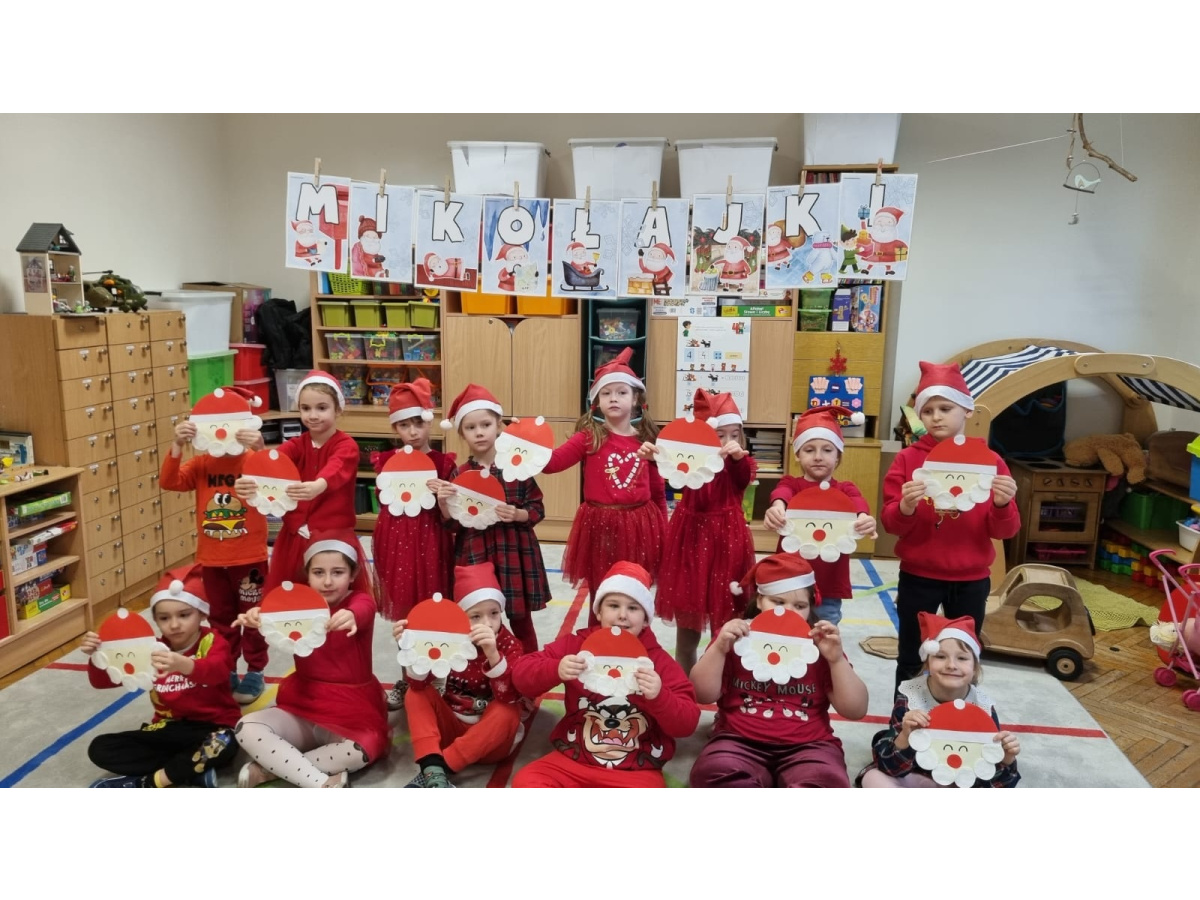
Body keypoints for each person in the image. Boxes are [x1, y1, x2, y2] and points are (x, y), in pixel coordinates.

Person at [881, 361, 1020, 688]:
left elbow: (1005, 531)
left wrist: (1002, 504)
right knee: (912, 655)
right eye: (927, 411)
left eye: (945, 408)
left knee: (963, 657)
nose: (936, 417)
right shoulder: (908, 459)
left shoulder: (990, 461)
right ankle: (904, 715)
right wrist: (905, 506)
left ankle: (958, 714)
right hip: (918, 576)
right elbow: (891, 524)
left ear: (967, 410)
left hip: (971, 579)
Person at [511, 562, 699, 787]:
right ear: (599, 612)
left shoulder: (657, 661)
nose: (622, 615)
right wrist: (555, 669)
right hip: (573, 757)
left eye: (633, 608)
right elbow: (521, 676)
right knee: (526, 781)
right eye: (613, 605)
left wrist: (660, 695)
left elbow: (687, 723)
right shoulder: (576, 645)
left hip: (636, 768)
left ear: (646, 619)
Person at [689, 553, 868, 788]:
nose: (788, 612)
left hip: (810, 744)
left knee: (827, 780)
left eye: (800, 606)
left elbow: (855, 709)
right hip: (738, 740)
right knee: (712, 772)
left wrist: (836, 661)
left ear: (810, 607)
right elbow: (701, 694)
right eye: (778, 602)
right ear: (759, 600)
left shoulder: (820, 645)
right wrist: (719, 649)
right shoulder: (735, 638)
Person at [234, 530, 387, 788]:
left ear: (352, 575)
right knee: (245, 727)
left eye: (337, 572)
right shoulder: (298, 605)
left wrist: (352, 615)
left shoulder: (358, 600)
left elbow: (364, 608)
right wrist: (257, 616)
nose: (327, 581)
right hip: (303, 704)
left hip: (350, 710)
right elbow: (271, 614)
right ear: (307, 575)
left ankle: (272, 769)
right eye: (318, 573)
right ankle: (321, 782)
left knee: (362, 749)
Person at [160, 386, 270, 705]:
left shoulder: (252, 459)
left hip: (249, 559)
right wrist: (177, 445)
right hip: (212, 560)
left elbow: (275, 484)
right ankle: (226, 668)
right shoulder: (201, 464)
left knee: (253, 618)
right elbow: (169, 481)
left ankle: (256, 670)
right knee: (221, 621)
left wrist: (261, 448)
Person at [82, 566, 241, 788]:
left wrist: (184, 664)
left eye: (184, 615)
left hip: (212, 727)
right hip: (169, 728)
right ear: (155, 620)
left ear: (202, 613)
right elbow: (102, 682)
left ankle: (151, 782)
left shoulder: (214, 642)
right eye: (164, 618)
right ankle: (188, 770)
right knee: (100, 748)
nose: (174, 625)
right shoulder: (151, 649)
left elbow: (218, 672)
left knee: (226, 741)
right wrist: (97, 656)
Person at [542, 347, 667, 621]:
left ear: (636, 399)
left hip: (639, 527)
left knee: (636, 591)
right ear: (597, 401)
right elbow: (552, 464)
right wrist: (521, 440)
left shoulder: (646, 440)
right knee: (602, 593)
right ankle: (596, 638)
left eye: (622, 392)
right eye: (606, 393)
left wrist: (664, 532)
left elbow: (658, 490)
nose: (613, 398)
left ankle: (636, 640)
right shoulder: (589, 437)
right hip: (599, 527)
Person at [436, 383, 550, 654]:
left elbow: (537, 507)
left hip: (514, 552)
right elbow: (453, 524)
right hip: (476, 552)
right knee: (477, 618)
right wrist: (443, 504)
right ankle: (480, 670)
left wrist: (519, 514)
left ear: (498, 426)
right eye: (470, 427)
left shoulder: (516, 468)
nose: (479, 432)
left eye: (485, 425)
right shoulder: (460, 474)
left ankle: (528, 666)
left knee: (521, 620)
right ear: (462, 433)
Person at [650, 389, 757, 675]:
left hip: (727, 544)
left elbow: (743, 479)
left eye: (734, 434)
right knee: (687, 631)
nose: (729, 442)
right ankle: (685, 687)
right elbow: (669, 470)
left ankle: (723, 687)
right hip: (690, 542)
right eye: (720, 435)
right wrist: (654, 458)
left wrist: (737, 459)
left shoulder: (740, 463)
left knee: (726, 629)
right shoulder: (692, 462)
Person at [396, 562, 524, 788]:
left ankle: (439, 769)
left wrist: (493, 654)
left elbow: (509, 695)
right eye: (475, 616)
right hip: (452, 730)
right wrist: (412, 648)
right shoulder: (451, 638)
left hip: (491, 741)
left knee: (508, 710)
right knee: (415, 695)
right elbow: (418, 685)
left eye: (494, 613)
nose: (487, 624)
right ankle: (431, 764)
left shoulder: (510, 644)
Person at [236, 370, 364, 595]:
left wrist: (318, 485)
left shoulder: (346, 445)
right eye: (305, 408)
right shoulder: (297, 444)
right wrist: (259, 449)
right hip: (296, 533)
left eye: (321, 408)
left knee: (332, 591)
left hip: (331, 535)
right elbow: (274, 463)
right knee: (292, 591)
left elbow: (337, 467)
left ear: (338, 409)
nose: (312, 415)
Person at [860, 612, 1021, 787]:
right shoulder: (911, 698)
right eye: (940, 656)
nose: (951, 665)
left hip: (958, 782)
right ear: (928, 663)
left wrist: (1006, 758)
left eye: (962, 658)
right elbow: (889, 767)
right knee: (873, 778)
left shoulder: (982, 707)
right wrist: (905, 735)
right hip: (914, 774)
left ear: (975, 668)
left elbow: (995, 781)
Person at [763, 406, 876, 627]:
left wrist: (863, 517)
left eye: (827, 450)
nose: (818, 457)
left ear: (838, 456)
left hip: (828, 585)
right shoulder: (792, 484)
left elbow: (858, 502)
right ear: (797, 454)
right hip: (790, 583)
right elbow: (781, 493)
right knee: (786, 630)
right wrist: (777, 507)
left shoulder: (845, 489)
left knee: (824, 632)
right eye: (809, 450)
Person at [371, 377, 456, 633]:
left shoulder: (442, 463)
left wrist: (443, 495)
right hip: (396, 537)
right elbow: (383, 499)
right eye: (404, 425)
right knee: (402, 596)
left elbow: (451, 513)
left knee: (433, 593)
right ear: (395, 427)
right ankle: (407, 653)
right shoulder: (387, 461)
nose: (413, 432)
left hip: (431, 535)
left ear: (429, 421)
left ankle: (433, 643)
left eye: (419, 423)